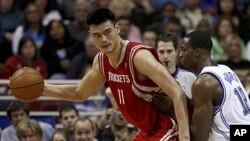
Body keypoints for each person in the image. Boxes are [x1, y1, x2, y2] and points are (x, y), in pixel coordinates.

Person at [40, 8, 190, 140]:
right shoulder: (101, 61)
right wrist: (42, 88)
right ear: (91, 36)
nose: (103, 40)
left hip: (167, 127)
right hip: (146, 131)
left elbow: (177, 93)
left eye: (107, 32)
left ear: (117, 28)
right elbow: (80, 93)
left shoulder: (139, 57)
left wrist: (184, 137)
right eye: (97, 35)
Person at [180, 30, 250, 141]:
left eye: (184, 50)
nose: (180, 55)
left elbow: (199, 137)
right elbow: (210, 110)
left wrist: (172, 110)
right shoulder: (226, 69)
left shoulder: (203, 83)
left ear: (197, 52)